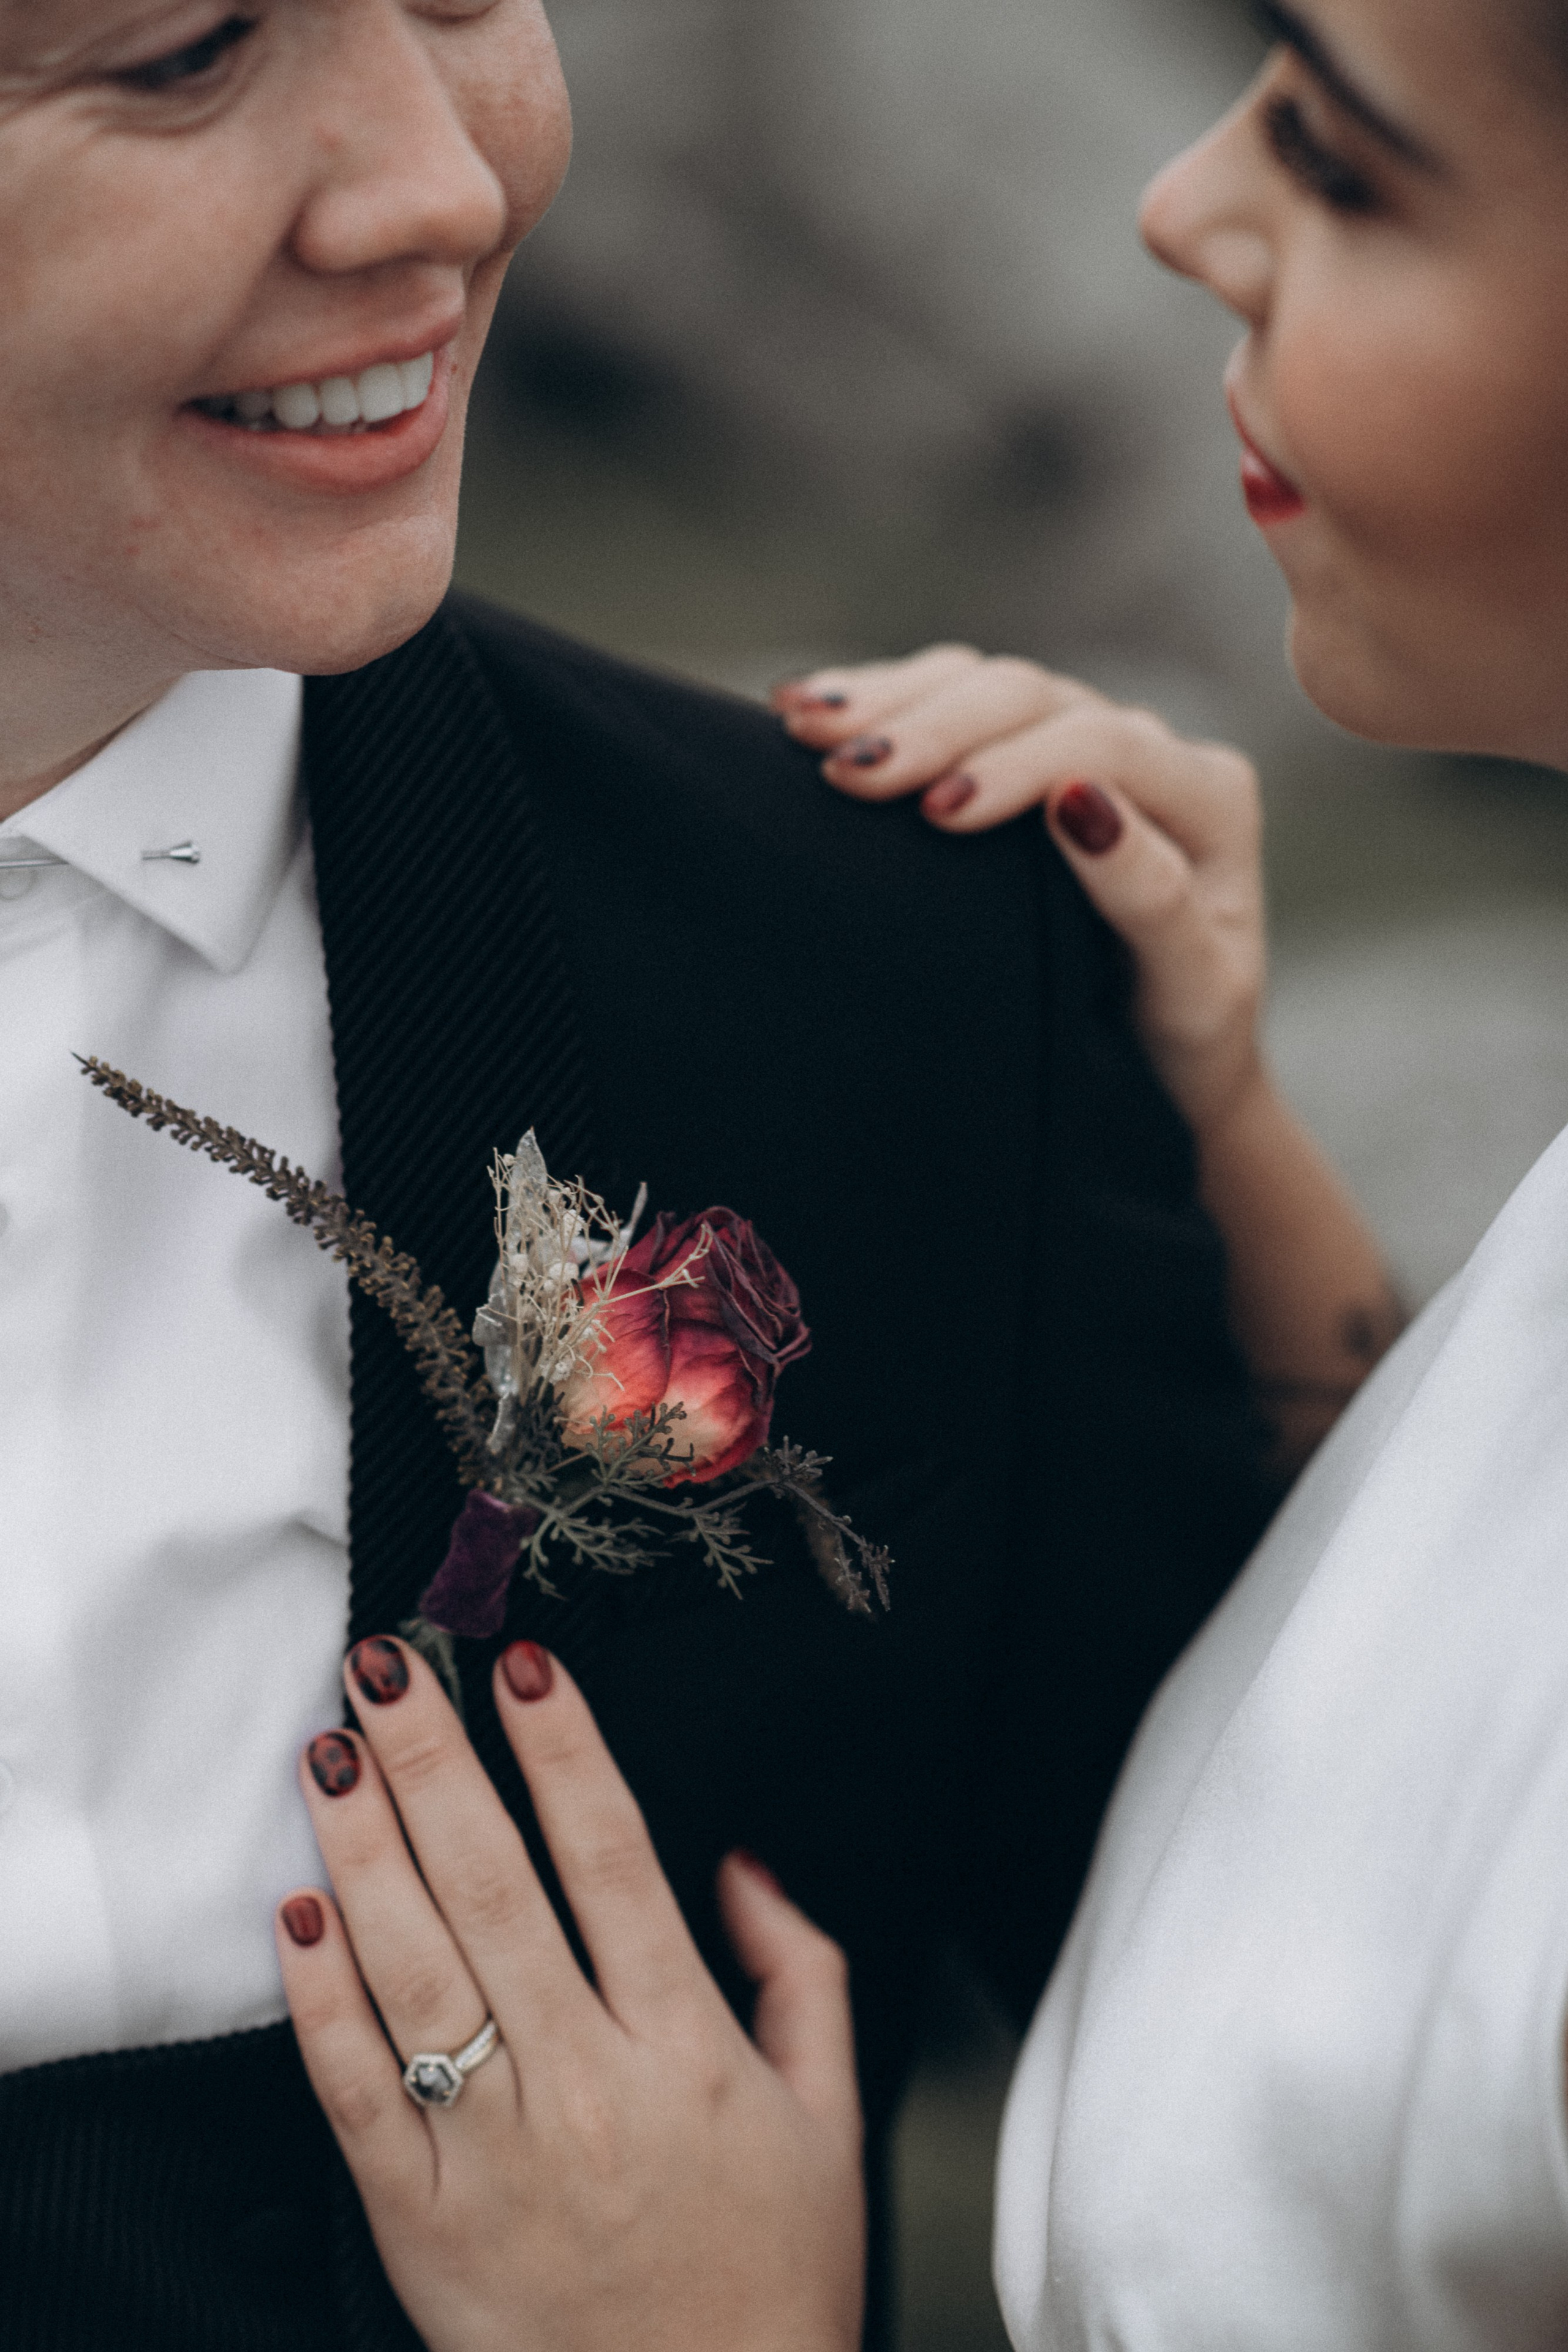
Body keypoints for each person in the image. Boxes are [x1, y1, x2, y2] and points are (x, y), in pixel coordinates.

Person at [0, 2, 1385, 2346]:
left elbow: (1360, 2105)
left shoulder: (886, 987)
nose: (437, 183)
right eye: (189, 51)